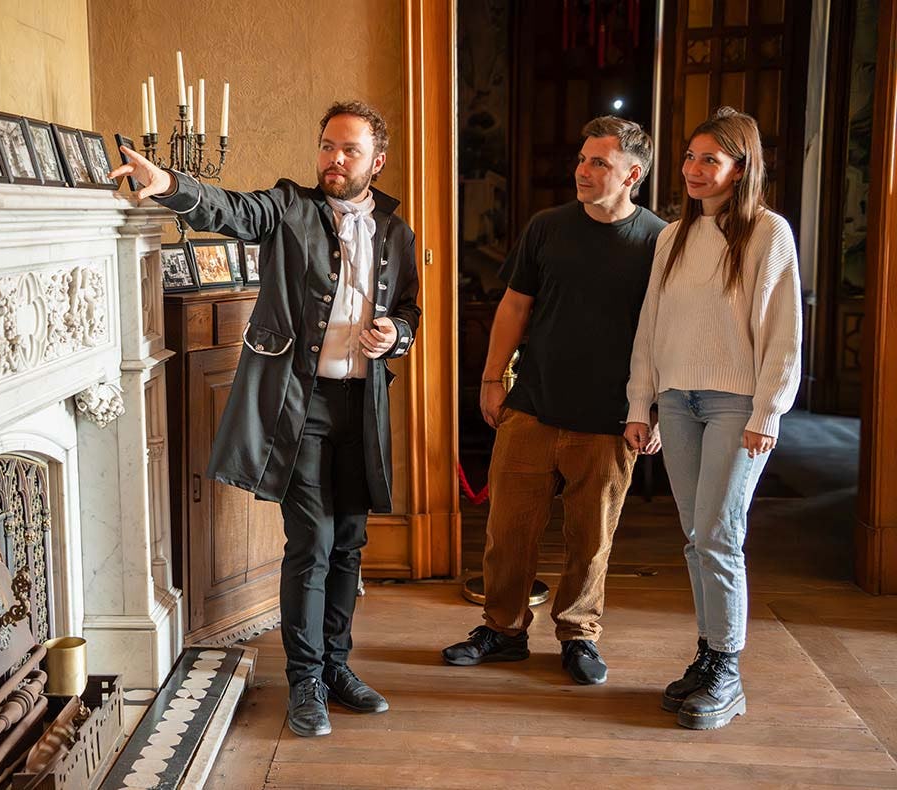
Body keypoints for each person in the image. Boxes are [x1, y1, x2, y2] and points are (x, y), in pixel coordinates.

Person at [111, 100, 420, 738]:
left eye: (351, 150)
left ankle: (337, 668)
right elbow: (230, 209)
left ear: (377, 161)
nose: (335, 159)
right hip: (300, 407)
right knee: (313, 543)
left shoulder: (396, 232)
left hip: (363, 407)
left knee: (350, 542)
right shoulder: (288, 207)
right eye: (328, 145)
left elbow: (411, 310)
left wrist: (396, 334)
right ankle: (305, 682)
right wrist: (169, 184)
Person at [442, 116, 665, 685]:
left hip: (611, 418)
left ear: (631, 174)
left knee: (591, 539)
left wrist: (655, 408)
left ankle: (578, 635)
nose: (582, 171)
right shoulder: (547, 227)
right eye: (582, 159)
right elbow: (515, 305)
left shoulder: (659, 241)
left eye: (599, 163)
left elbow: (670, 332)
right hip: (532, 406)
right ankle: (502, 630)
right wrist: (492, 378)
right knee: (508, 532)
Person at [624, 107, 801, 730]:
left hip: (736, 404)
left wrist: (768, 411)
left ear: (741, 168)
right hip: (677, 402)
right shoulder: (672, 237)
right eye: (690, 157)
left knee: (720, 535)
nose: (694, 170)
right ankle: (707, 656)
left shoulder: (768, 233)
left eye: (710, 160)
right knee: (696, 536)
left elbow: (783, 333)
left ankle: (727, 669)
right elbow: (651, 324)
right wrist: (641, 403)